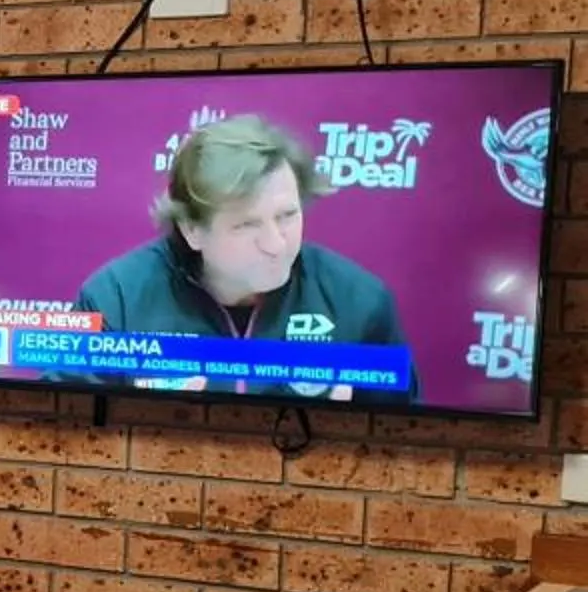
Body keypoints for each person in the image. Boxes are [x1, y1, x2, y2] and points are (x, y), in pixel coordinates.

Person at [69, 115, 405, 397]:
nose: (276, 244)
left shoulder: (360, 302)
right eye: (246, 225)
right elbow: (64, 430)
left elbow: (405, 443)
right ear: (192, 230)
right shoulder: (115, 298)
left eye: (287, 215)